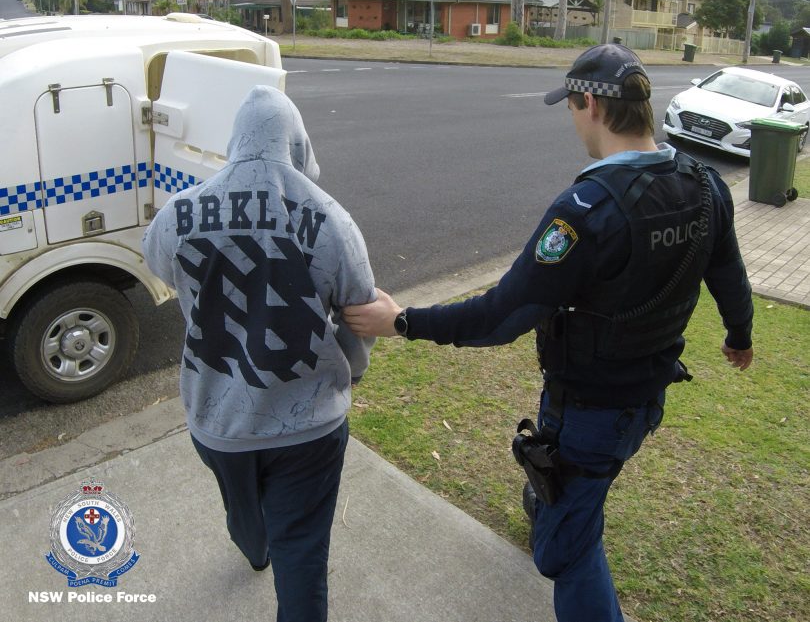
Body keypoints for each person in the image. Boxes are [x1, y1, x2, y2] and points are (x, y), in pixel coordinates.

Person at [342, 43, 753, 622]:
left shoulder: (586, 210)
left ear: (589, 103)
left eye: (570, 106)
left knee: (565, 552)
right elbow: (729, 273)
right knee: (569, 486)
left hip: (590, 410)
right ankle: (551, 498)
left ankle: (559, 513)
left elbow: (502, 316)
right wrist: (740, 335)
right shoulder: (706, 186)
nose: (572, 119)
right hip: (645, 396)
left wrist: (402, 321)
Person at [142, 85, 376, 622]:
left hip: (215, 419)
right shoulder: (331, 218)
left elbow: (158, 263)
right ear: (293, 140)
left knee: (241, 505)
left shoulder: (180, 211)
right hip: (307, 428)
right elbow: (359, 311)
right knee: (304, 553)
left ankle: (253, 548)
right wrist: (352, 371)